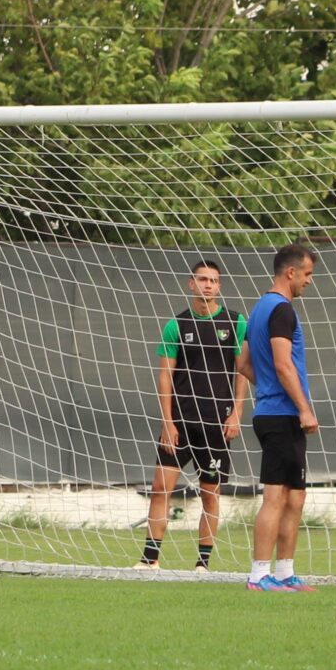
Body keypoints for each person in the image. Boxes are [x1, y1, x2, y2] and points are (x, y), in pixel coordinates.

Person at [138, 260, 247, 571]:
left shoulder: (236, 322)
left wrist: (237, 412)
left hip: (217, 424)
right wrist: (167, 421)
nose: (208, 285)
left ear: (220, 286)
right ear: (191, 283)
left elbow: (242, 371)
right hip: (180, 424)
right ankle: (149, 559)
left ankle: (202, 563)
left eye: (213, 280)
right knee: (161, 488)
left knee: (210, 494)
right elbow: (165, 376)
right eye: (202, 279)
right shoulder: (177, 325)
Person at [237, 242, 319, 592]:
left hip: (274, 411)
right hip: (282, 414)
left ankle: (285, 572)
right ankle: (258, 576)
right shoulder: (282, 309)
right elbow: (284, 364)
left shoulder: (258, 309)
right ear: (291, 272)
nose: (309, 282)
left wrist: (267, 385)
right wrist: (303, 407)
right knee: (276, 496)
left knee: (295, 495)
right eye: (308, 274)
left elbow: (242, 363)